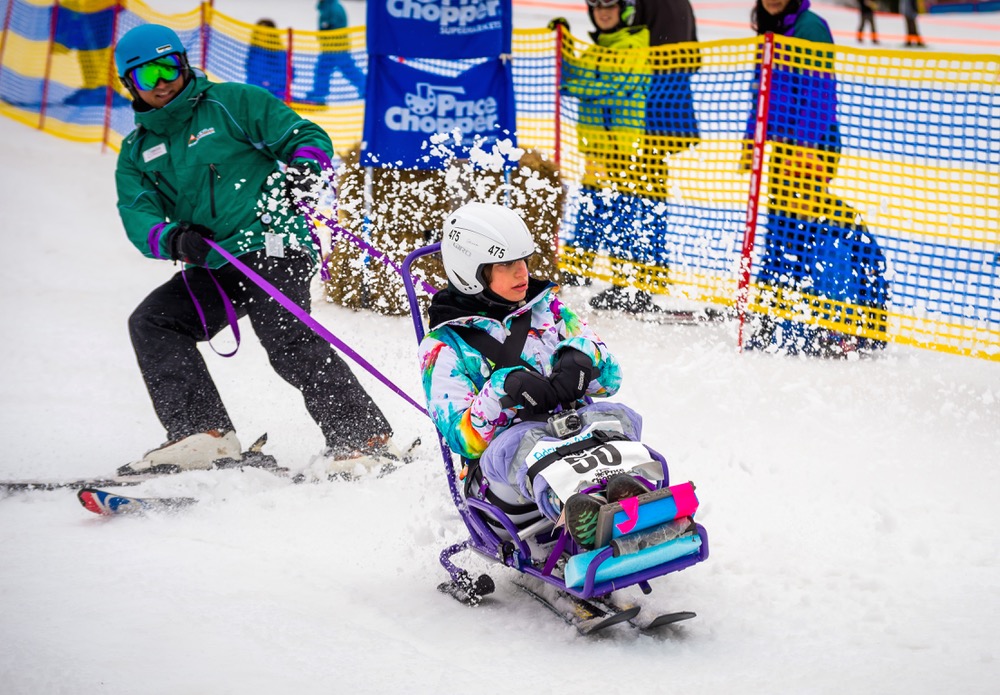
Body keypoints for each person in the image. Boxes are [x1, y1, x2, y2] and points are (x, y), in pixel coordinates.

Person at [113, 24, 397, 476]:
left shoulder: (232, 104)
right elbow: (137, 214)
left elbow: (305, 136)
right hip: (215, 262)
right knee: (153, 320)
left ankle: (363, 437)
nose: (162, 80)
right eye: (147, 76)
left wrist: (306, 167)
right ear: (130, 85)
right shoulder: (136, 152)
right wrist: (172, 238)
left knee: (284, 336)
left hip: (272, 244)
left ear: (185, 63)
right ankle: (204, 435)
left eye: (169, 66)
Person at [418, 202, 662, 549]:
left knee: (615, 417)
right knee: (521, 444)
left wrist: (583, 359)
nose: (522, 273)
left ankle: (629, 493)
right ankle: (578, 515)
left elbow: (611, 379)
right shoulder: (444, 345)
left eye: (524, 261)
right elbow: (460, 437)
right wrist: (504, 392)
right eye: (506, 264)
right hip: (502, 485)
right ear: (471, 272)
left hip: (572, 437)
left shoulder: (549, 311)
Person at [743, 1, 887, 356]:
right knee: (782, 224)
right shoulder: (770, 26)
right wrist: (753, 139)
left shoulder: (810, 27)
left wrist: (806, 147)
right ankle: (777, 313)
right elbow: (761, 91)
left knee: (804, 221)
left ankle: (829, 317)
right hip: (782, 143)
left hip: (812, 143)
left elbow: (819, 93)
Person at [555, 0, 661, 314]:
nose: (603, 11)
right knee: (590, 213)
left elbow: (614, 84)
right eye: (597, 6)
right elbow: (573, 75)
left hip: (622, 150)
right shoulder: (595, 51)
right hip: (594, 151)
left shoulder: (634, 45)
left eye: (610, 6)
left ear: (624, 10)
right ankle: (578, 271)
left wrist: (576, 86)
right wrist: (564, 42)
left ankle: (629, 285)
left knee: (622, 220)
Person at [303, 0, 367, 103]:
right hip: (329, 47)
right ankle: (319, 93)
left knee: (348, 69)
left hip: (337, 47)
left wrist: (326, 29)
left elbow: (334, 26)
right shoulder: (326, 6)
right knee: (323, 70)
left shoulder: (334, 8)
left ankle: (366, 88)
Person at [245, 19, 288, 101]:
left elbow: (286, 73)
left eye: (265, 31)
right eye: (260, 32)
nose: (262, 35)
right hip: (254, 91)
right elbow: (250, 69)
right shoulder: (254, 50)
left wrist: (271, 82)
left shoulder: (278, 52)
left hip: (276, 93)